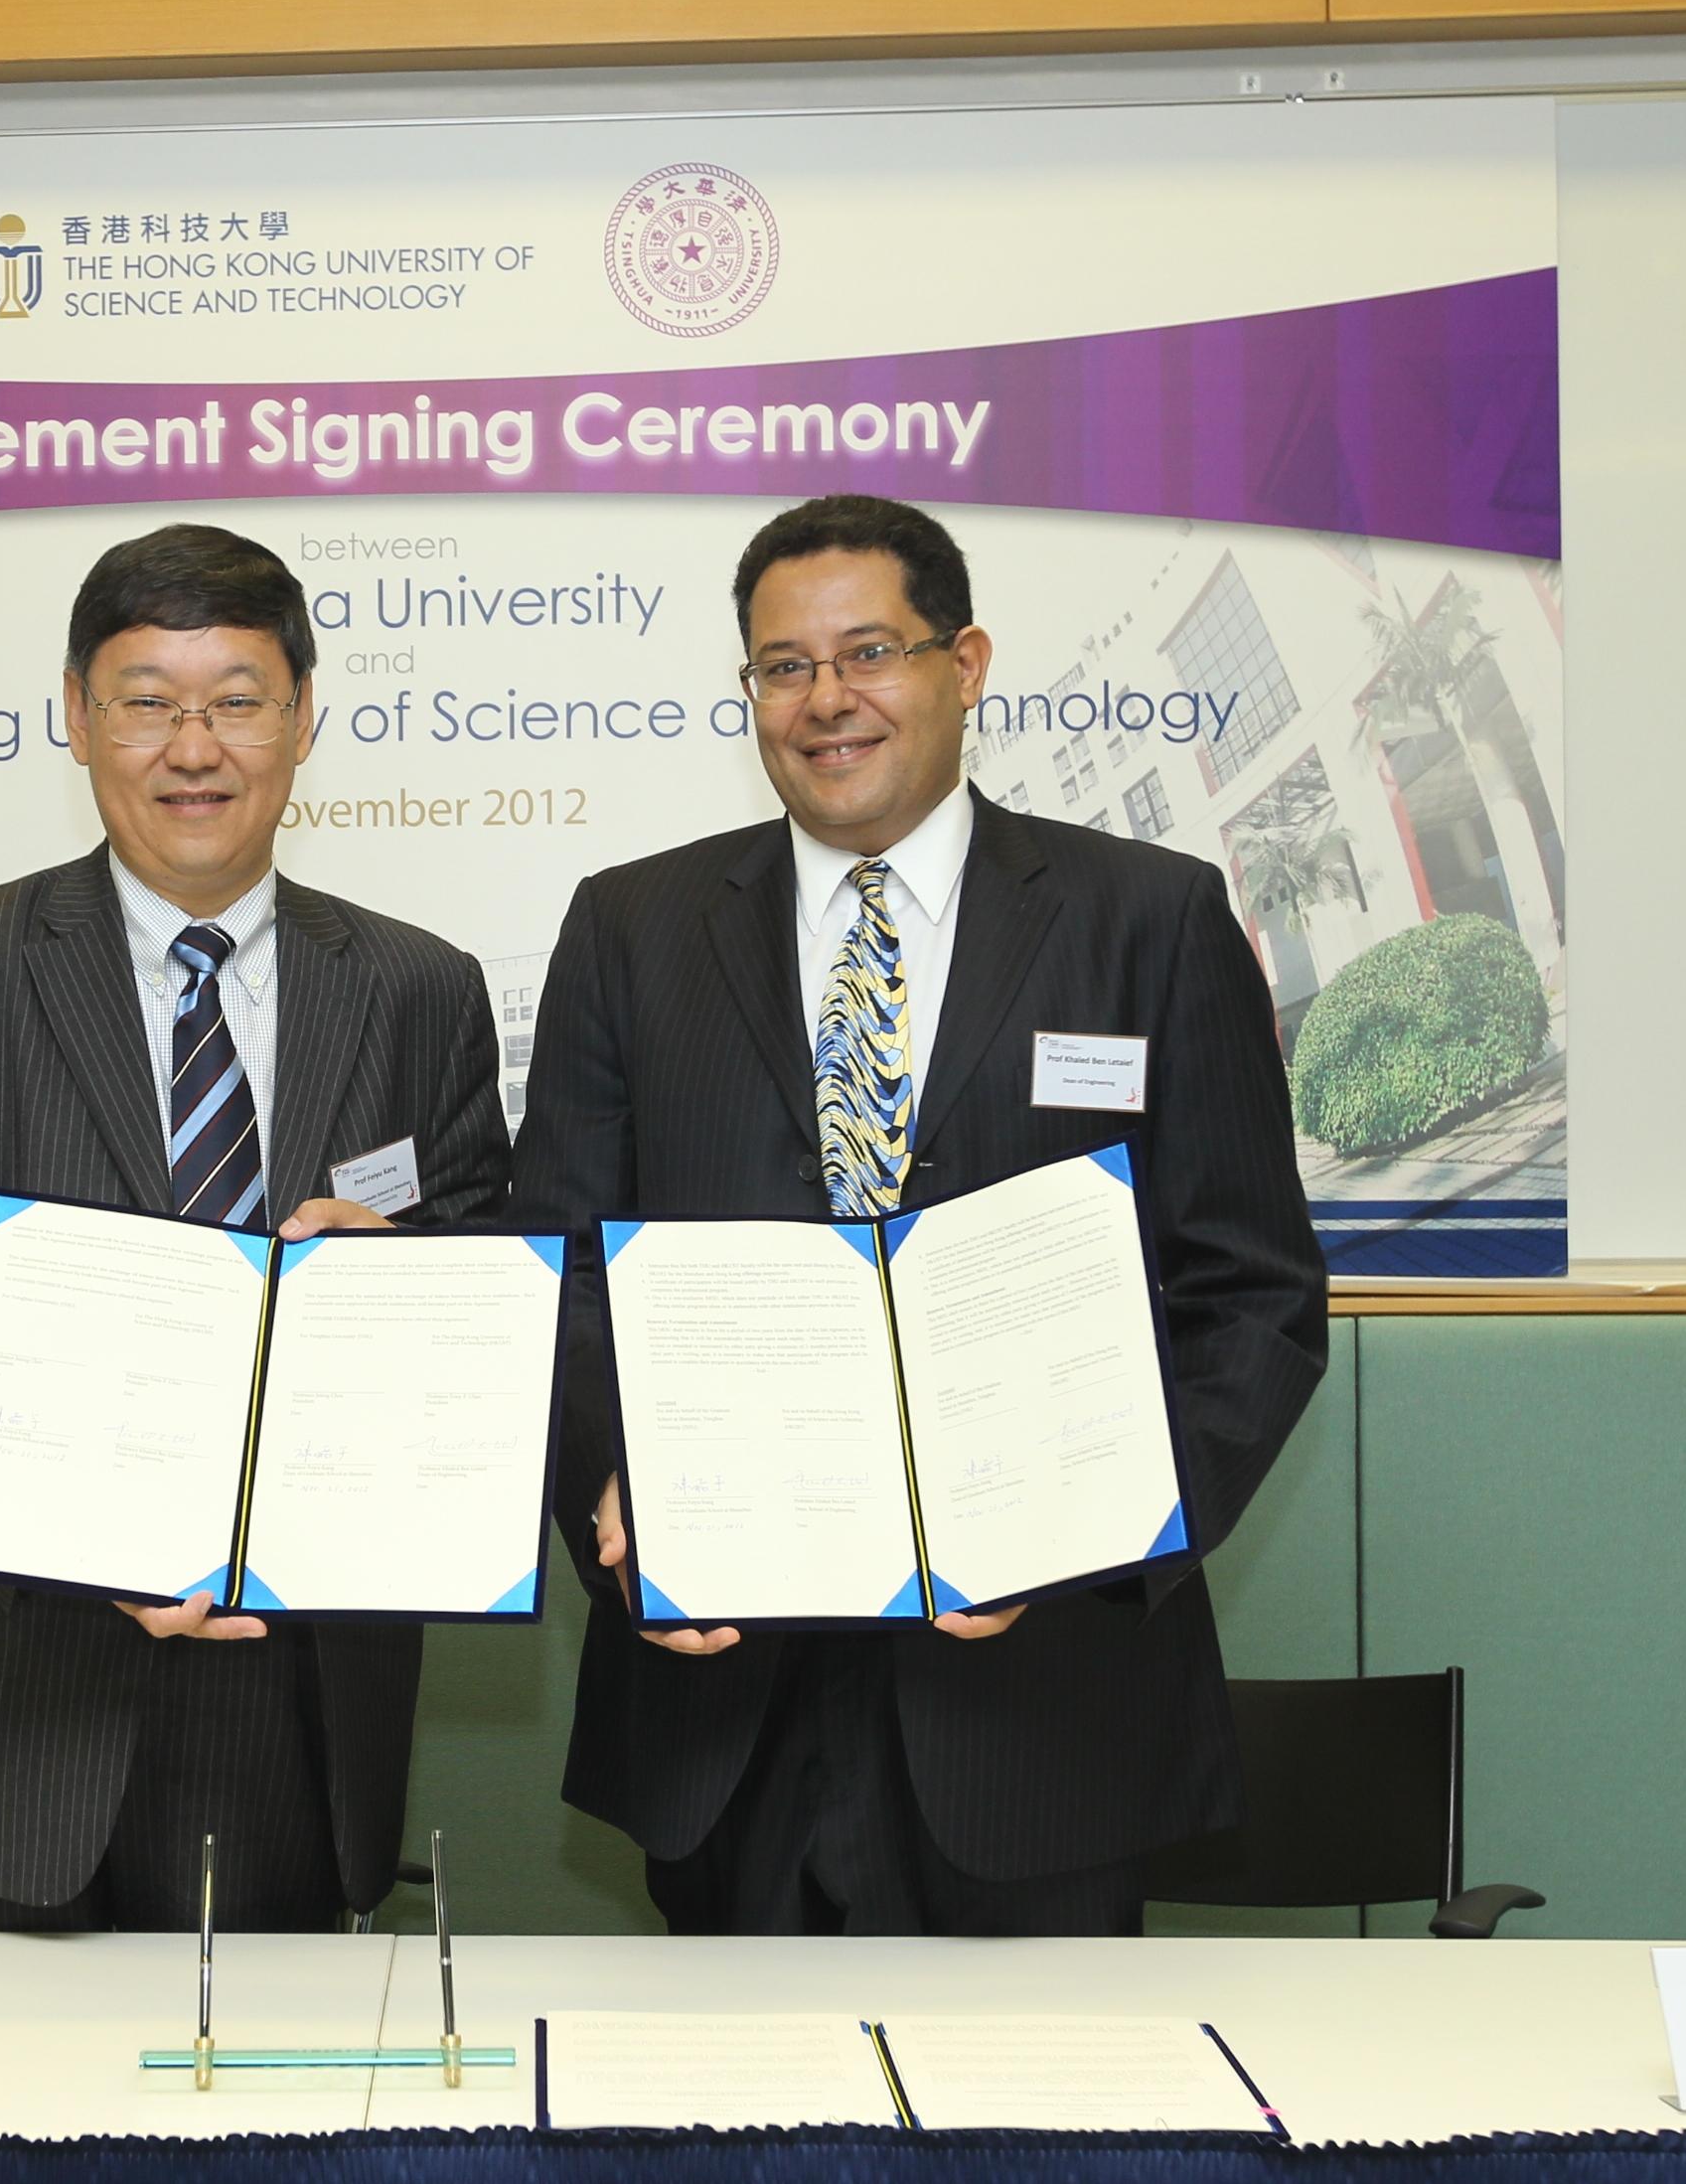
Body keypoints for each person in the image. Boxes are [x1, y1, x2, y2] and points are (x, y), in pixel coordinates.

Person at [515, 494, 1327, 1937]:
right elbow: (564, 1279)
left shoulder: (1150, 918)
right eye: (783, 666)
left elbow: (1252, 1300)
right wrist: (608, 1494)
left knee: (1046, 2146)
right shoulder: (630, 931)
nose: (827, 700)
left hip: (1040, 1710)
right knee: (729, 2141)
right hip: (721, 1704)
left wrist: (1089, 1534)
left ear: (966, 663)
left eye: (870, 652)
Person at [0, 522, 510, 1933]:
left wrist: (401, 1297)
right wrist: (92, 1530)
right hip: (10, 1687)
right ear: (75, 716)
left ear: (305, 720)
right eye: (146, 702)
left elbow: (491, 1303)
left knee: (271, 2138)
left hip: (293, 1688)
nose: (194, 748)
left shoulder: (420, 989)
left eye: (239, 701)